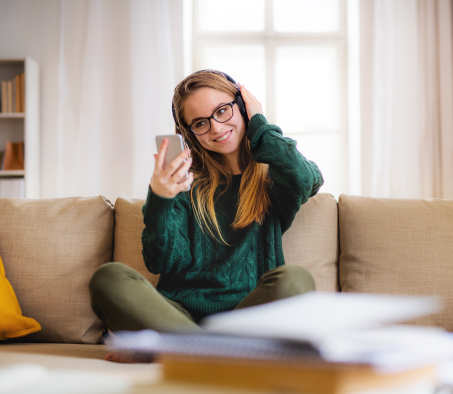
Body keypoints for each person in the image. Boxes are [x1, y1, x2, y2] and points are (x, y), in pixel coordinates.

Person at [88, 70, 324, 362]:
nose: (215, 128)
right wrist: (161, 198)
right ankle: (212, 355)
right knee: (108, 278)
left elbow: (305, 179)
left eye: (222, 111)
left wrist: (260, 125)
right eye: (201, 122)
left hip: (248, 322)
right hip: (177, 316)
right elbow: (160, 261)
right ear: (188, 133)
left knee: (295, 278)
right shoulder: (182, 185)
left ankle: (186, 354)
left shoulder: (273, 180)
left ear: (242, 106)